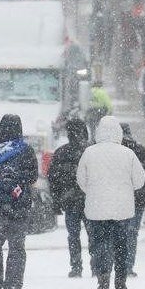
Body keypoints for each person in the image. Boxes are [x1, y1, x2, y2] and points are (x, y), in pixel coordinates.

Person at [77, 116, 145, 289]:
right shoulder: (128, 153)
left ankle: (103, 281)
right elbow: (139, 181)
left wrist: (93, 191)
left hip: (97, 206)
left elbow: (81, 180)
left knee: (100, 244)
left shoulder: (89, 152)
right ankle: (121, 282)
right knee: (121, 245)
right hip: (122, 208)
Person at [0, 115, 38, 289]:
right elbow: (33, 176)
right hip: (19, 206)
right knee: (17, 248)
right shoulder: (25, 150)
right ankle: (13, 284)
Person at [48, 118, 94, 278]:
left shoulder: (61, 152)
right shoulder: (92, 151)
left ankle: (76, 267)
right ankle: (96, 266)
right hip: (91, 201)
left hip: (70, 201)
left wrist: (55, 201)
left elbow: (53, 179)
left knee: (73, 235)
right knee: (93, 234)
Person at [119, 123, 145, 277]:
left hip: (119, 198)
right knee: (132, 234)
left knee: (118, 233)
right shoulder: (140, 149)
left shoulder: (116, 151)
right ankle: (128, 266)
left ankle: (118, 264)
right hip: (137, 198)